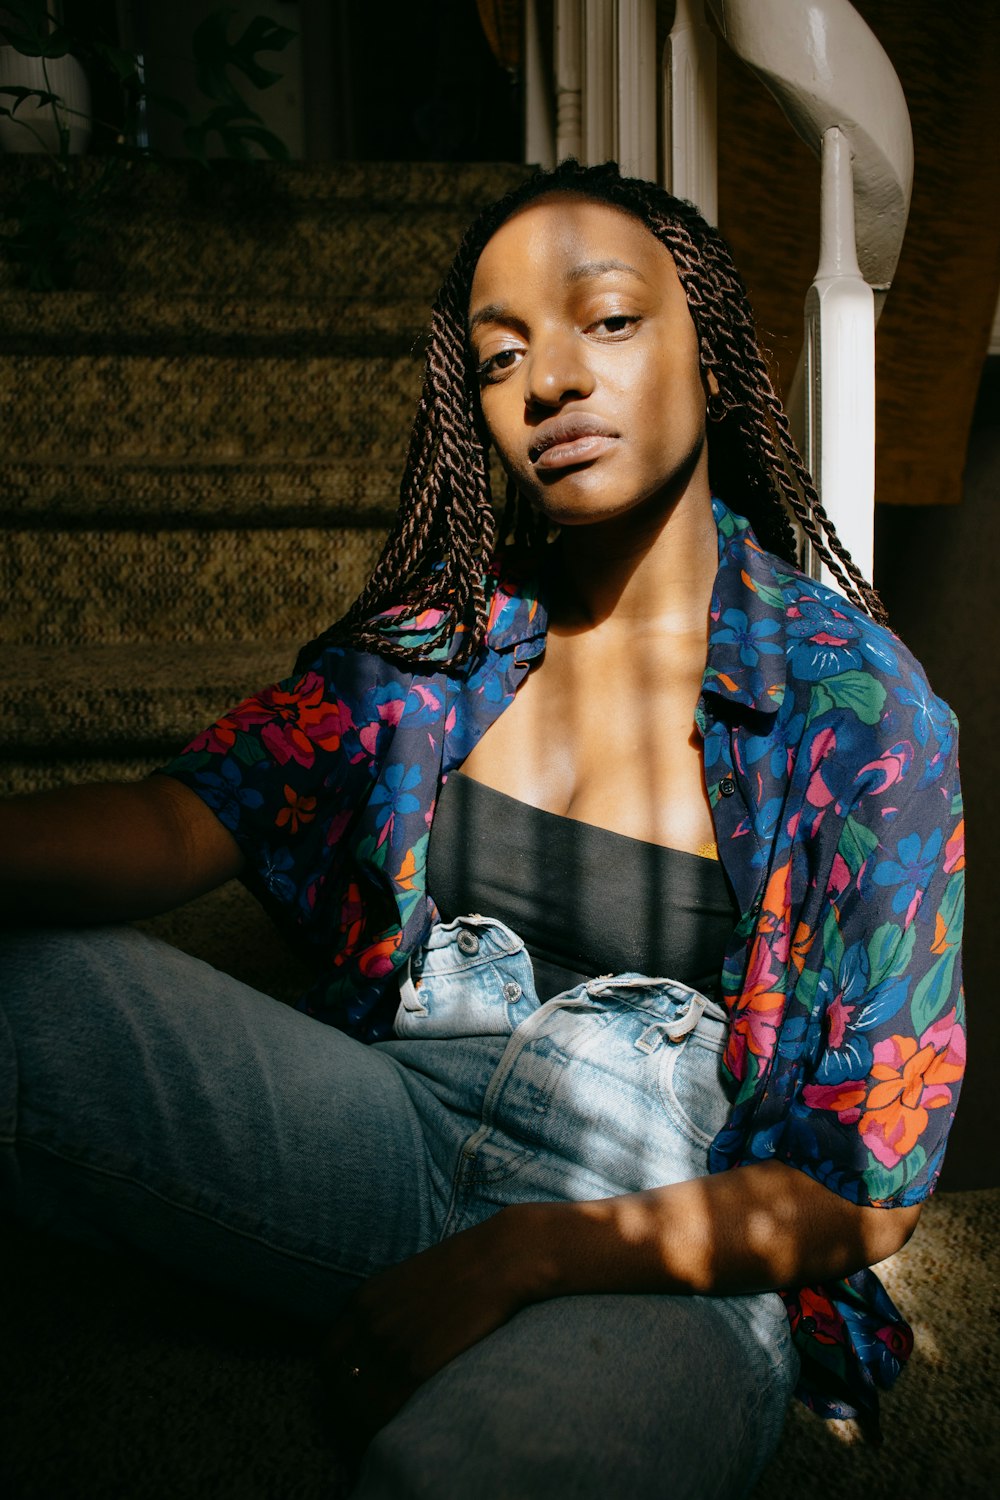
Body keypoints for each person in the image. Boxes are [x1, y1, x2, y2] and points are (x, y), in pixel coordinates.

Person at [0, 159, 965, 1500]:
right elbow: (186, 819)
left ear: (716, 351)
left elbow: (868, 1192)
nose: (550, 381)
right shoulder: (448, 643)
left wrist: (527, 1257)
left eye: (608, 321)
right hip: (387, 1126)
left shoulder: (856, 711)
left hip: (667, 1224)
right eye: (502, 355)